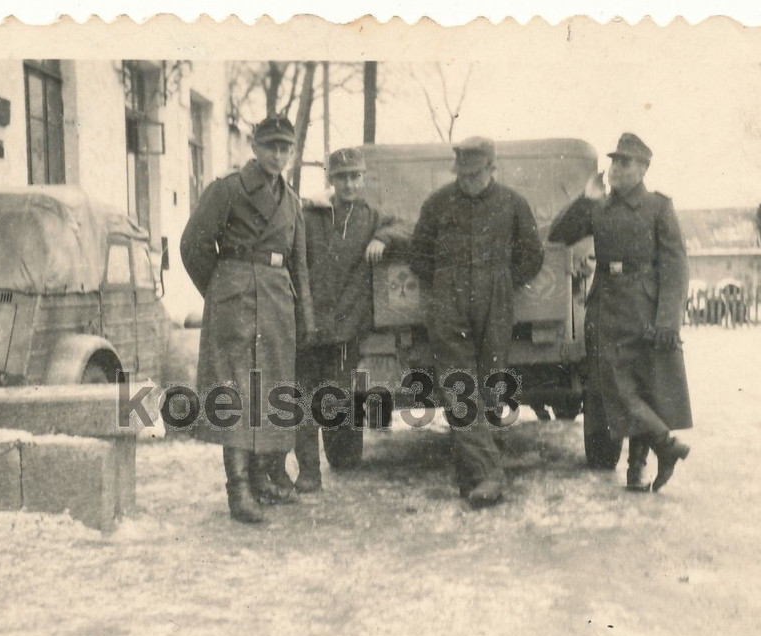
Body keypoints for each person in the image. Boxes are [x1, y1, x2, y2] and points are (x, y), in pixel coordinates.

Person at [179, 115, 316, 523]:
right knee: (236, 391)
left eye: (284, 148)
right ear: (254, 147)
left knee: (271, 390)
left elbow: (300, 265)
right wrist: (222, 290)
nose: (277, 155)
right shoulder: (228, 190)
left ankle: (264, 479)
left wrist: (305, 315)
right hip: (236, 296)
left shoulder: (291, 201)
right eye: (270, 146)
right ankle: (238, 490)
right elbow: (193, 245)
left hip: (276, 299)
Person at [548, 133, 692, 492]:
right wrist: (585, 199)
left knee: (638, 385)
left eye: (625, 162)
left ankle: (637, 468)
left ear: (643, 169)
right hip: (605, 303)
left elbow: (676, 268)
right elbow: (558, 234)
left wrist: (667, 321)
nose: (615, 169)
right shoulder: (600, 206)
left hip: (643, 304)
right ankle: (665, 445)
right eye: (614, 161)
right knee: (611, 381)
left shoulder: (659, 207)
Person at [409, 136, 545, 508]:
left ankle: (474, 469)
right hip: (447, 299)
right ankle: (488, 474)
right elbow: (417, 253)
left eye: (475, 174)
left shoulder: (513, 204)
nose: (467, 180)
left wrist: (502, 281)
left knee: (489, 383)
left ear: (491, 169)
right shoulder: (438, 204)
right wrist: (443, 281)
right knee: (457, 384)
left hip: (496, 298)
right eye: (462, 174)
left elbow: (532, 254)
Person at [285, 146, 410, 494]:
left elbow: (406, 228)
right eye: (342, 178)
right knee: (303, 398)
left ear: (364, 178)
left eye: (355, 177)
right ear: (331, 180)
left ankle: (340, 457)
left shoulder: (371, 216)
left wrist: (382, 238)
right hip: (308, 324)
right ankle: (309, 471)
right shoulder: (310, 214)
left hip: (344, 329)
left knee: (335, 398)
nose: (350, 184)